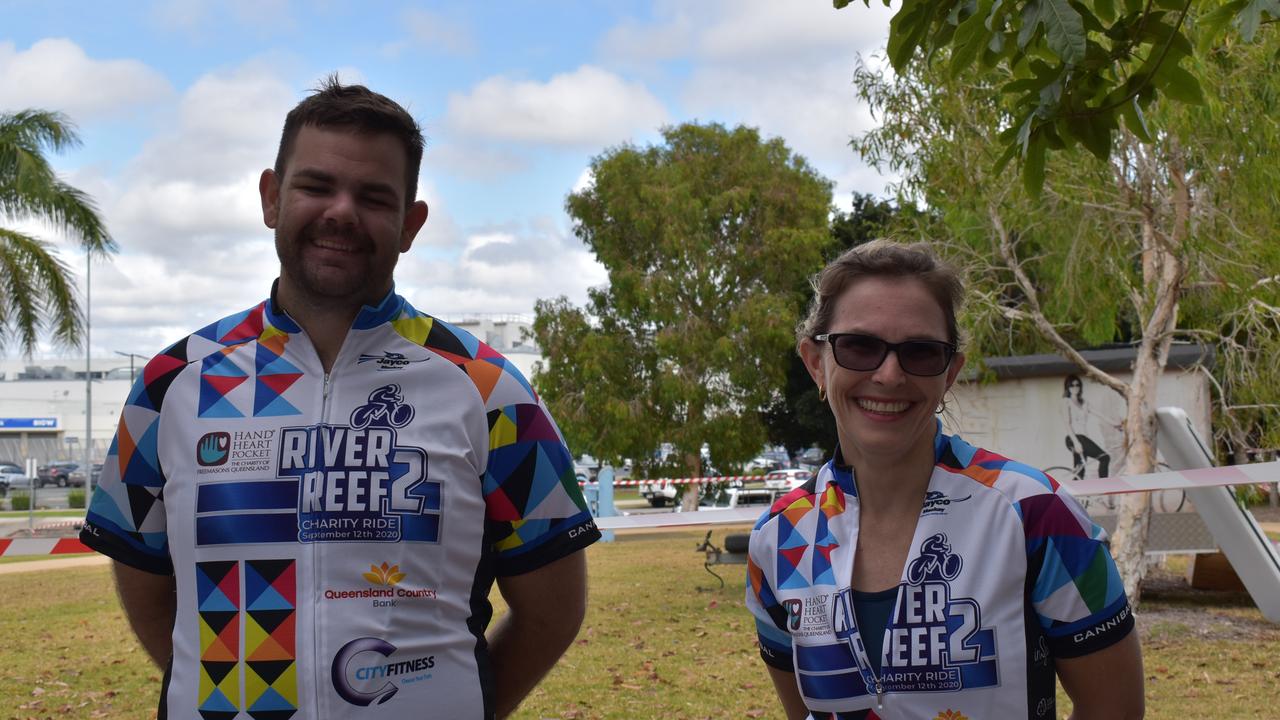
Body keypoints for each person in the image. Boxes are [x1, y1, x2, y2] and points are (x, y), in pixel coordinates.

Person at [80, 77, 600, 720]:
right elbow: (148, 585)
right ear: (272, 198)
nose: (342, 212)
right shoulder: (170, 384)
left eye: (374, 196)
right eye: (316, 186)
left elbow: (553, 610)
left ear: (410, 224)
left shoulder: (490, 390)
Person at [745, 240, 1143, 719]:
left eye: (920, 352)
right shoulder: (778, 536)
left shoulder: (1037, 512)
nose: (889, 375)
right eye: (859, 346)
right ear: (816, 363)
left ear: (950, 372)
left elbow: (1114, 709)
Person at [1063, 374, 1113, 480]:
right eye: (1072, 385)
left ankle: (1070, 494)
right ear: (1067, 387)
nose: (1075, 387)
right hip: (1074, 438)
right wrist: (1076, 443)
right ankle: (1104, 487)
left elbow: (1099, 414)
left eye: (1077, 385)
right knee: (1104, 458)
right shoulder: (1066, 402)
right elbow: (1067, 424)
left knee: (1080, 472)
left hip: (1083, 439)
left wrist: (1114, 424)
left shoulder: (1084, 403)